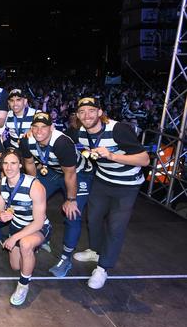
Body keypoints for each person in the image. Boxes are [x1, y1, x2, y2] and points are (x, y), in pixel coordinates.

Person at [73, 97, 149, 289]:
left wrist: (112, 156)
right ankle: (96, 250)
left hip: (127, 185)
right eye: (82, 112)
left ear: (100, 112)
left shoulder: (118, 129)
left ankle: (103, 268)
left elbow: (145, 159)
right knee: (93, 218)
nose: (86, 115)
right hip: (103, 180)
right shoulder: (80, 132)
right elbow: (59, 137)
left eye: (91, 111)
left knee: (116, 226)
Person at [20, 111, 94, 277]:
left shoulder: (61, 142)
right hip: (53, 171)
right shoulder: (26, 140)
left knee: (72, 213)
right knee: (32, 201)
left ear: (52, 128)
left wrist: (71, 199)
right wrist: (34, 189)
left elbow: (70, 174)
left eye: (44, 127)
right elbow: (30, 164)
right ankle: (43, 233)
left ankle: (65, 258)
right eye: (35, 127)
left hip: (79, 173)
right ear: (31, 128)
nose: (39, 131)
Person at [0, 149, 50, 306]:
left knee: (26, 245)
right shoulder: (0, 185)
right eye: (5, 163)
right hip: (17, 225)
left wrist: (13, 238)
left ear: (20, 165)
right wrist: (1, 215)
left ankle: (23, 285)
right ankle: (32, 250)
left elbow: (38, 222)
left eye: (13, 163)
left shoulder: (34, 186)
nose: (9, 167)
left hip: (37, 227)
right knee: (15, 266)